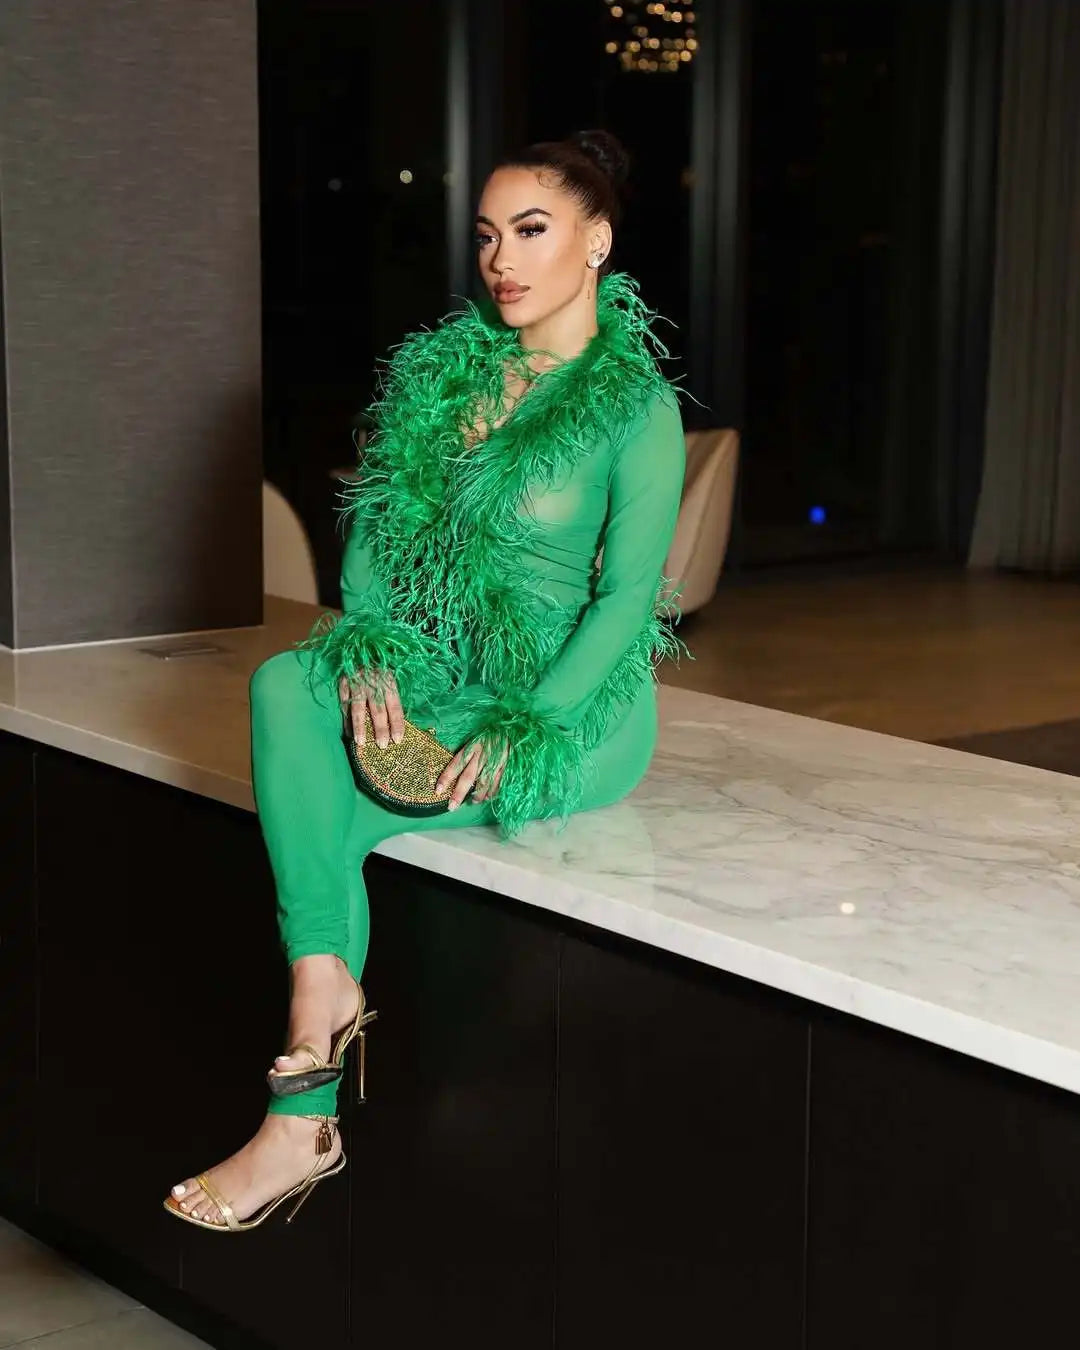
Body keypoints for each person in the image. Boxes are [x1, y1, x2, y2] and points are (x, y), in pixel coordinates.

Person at [164, 129, 687, 1232]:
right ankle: (324, 991)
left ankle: (302, 1108)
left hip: (569, 705)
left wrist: (529, 716)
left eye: (531, 231)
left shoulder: (635, 406)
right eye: (488, 236)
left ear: (597, 242)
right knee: (286, 687)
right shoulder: (448, 378)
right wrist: (374, 644)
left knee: (335, 814)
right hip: (439, 668)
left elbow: (626, 603)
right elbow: (373, 531)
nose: (503, 259)